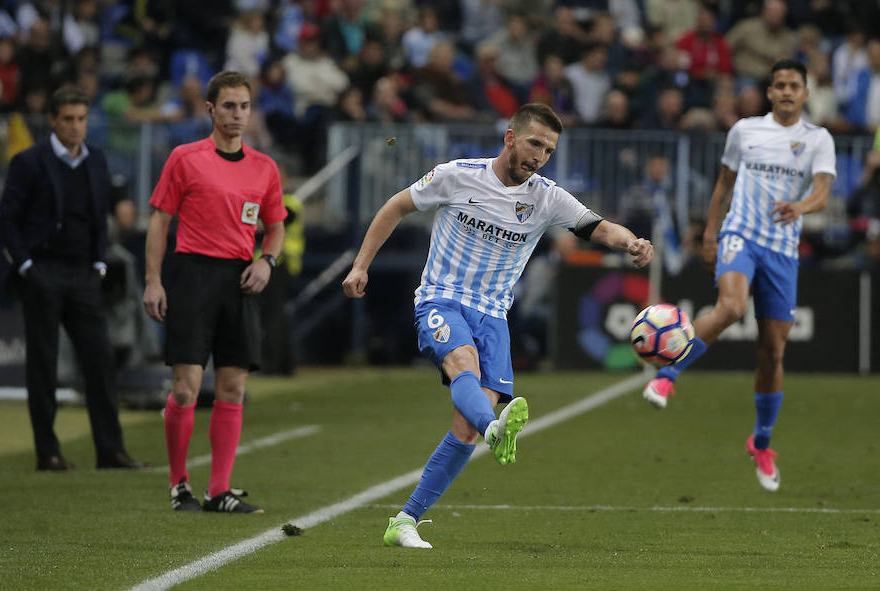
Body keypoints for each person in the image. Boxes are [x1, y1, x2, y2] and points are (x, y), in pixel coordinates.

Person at [342, 103, 653, 548]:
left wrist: (632, 243)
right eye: (534, 144)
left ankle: (404, 521)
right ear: (510, 138)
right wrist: (360, 267)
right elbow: (395, 207)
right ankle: (495, 428)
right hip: (442, 299)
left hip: (493, 316)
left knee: (465, 427)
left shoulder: (546, 196)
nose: (540, 156)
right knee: (462, 365)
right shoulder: (456, 175)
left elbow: (597, 227)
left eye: (548, 150)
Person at [641, 60, 836, 493]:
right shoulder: (745, 131)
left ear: (805, 93)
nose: (787, 92)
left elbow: (822, 191)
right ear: (769, 92)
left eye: (794, 86)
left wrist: (800, 207)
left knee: (773, 352)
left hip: (782, 251)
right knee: (730, 306)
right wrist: (710, 235)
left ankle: (761, 443)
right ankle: (666, 377)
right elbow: (724, 185)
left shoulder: (818, 139)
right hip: (740, 235)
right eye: (780, 85)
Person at [143, 71, 287, 514]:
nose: (237, 114)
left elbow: (276, 225)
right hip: (192, 275)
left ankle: (218, 491)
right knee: (186, 387)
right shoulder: (185, 158)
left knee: (232, 385)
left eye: (244, 106)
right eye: (228, 106)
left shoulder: (264, 167)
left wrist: (267, 261)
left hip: (239, 280)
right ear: (210, 109)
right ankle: (178, 484)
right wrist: (153, 281)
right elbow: (159, 222)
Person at [0, 85, 148, 472]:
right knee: (43, 365)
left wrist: (98, 263)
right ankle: (48, 452)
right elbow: (6, 221)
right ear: (52, 120)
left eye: (81, 119)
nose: (76, 126)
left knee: (100, 361)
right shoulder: (29, 161)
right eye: (68, 119)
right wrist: (26, 266)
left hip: (83, 274)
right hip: (43, 271)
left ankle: (110, 450)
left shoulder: (96, 160)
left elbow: (100, 217)